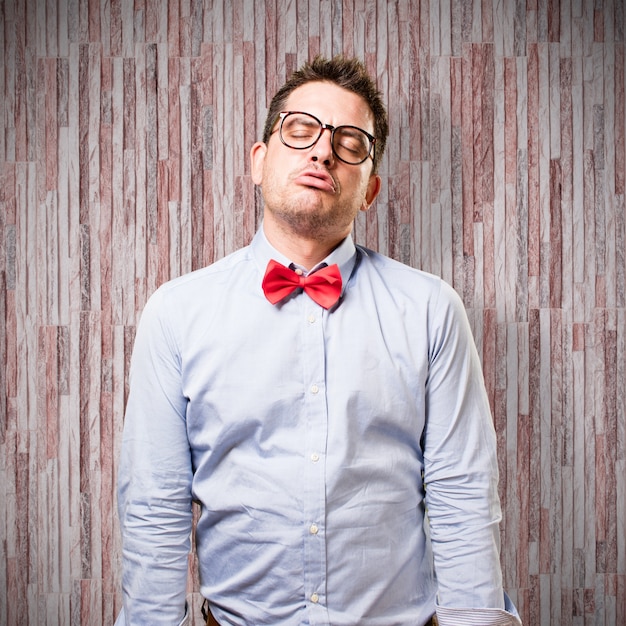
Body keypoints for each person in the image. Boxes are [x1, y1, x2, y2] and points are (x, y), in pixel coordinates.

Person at [116, 55, 523, 626]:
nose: (323, 151)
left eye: (351, 142)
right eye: (301, 129)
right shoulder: (176, 313)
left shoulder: (432, 310)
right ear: (259, 161)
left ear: (370, 190)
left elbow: (463, 495)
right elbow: (154, 506)